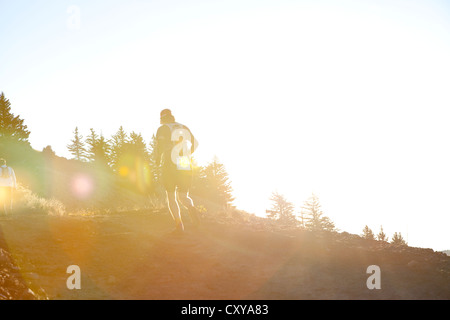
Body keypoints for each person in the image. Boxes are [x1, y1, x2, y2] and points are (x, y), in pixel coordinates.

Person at [156, 109, 200, 234]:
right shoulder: (183, 126)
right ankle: (191, 208)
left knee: (171, 196)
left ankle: (179, 224)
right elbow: (195, 144)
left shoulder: (163, 128)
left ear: (162, 118)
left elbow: (159, 147)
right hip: (184, 162)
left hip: (170, 163)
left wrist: (157, 160)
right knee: (183, 196)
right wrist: (186, 154)